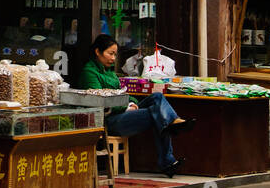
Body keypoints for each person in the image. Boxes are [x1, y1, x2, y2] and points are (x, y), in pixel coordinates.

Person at [78, 34, 193, 178]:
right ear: (97, 51)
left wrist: (131, 102)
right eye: (110, 53)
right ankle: (167, 157)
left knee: (157, 98)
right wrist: (126, 107)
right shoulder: (89, 72)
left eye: (115, 54)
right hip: (109, 120)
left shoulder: (110, 72)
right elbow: (101, 102)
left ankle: (171, 125)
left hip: (123, 111)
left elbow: (123, 93)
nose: (113, 58)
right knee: (157, 114)